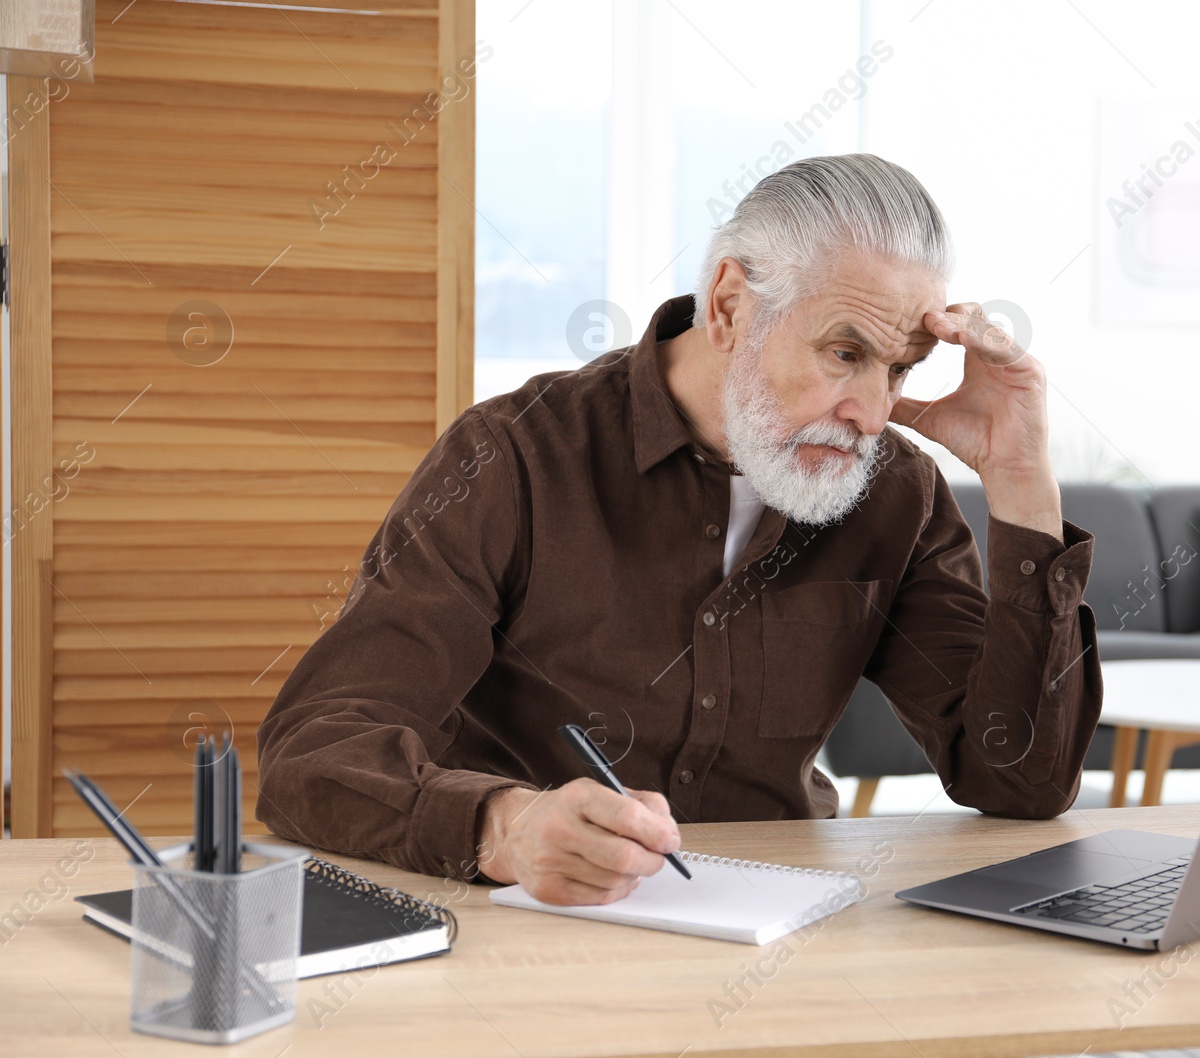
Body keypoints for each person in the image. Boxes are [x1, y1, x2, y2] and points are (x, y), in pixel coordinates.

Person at [255, 153, 1103, 916]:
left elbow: (1018, 778)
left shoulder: (896, 493)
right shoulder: (513, 458)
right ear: (731, 303)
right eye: (845, 354)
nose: (872, 414)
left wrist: (1022, 482)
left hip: (790, 949)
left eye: (900, 368)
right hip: (539, 934)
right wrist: (504, 826)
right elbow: (314, 751)